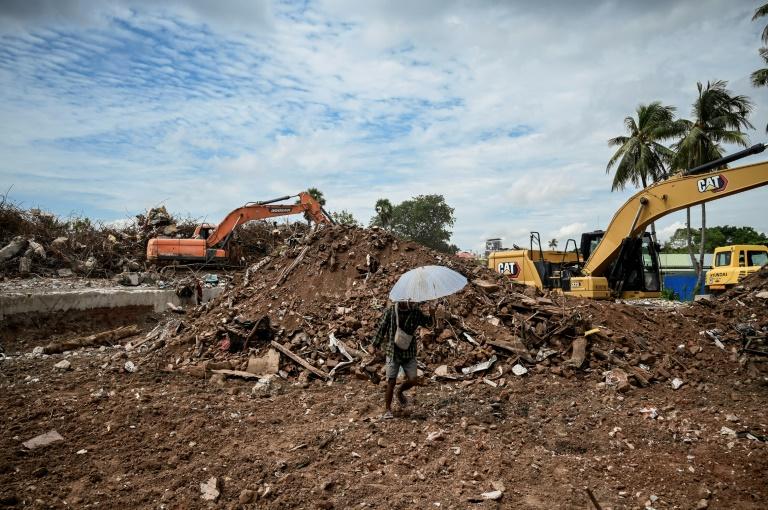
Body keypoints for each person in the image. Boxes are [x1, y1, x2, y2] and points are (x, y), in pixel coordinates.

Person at [371, 301, 433, 419]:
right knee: (391, 381)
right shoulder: (391, 311)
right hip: (393, 352)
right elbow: (382, 328)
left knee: (413, 379)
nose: (406, 302)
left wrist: (432, 314)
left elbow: (428, 324)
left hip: (409, 352)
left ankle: (399, 391)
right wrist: (374, 344)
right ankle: (388, 409)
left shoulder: (415, 312)